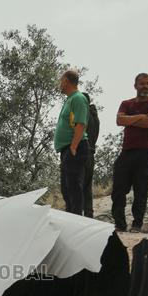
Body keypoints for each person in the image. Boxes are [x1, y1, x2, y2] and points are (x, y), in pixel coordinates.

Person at [111, 73, 148, 232]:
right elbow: (119, 120)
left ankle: (137, 224)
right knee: (118, 189)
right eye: (142, 84)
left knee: (141, 190)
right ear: (135, 86)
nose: (145, 86)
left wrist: (130, 119)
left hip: (145, 152)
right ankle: (120, 224)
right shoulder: (126, 103)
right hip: (126, 152)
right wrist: (140, 116)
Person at [53, 69, 92, 216]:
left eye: (61, 80)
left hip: (75, 148)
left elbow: (81, 124)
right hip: (67, 149)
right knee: (66, 189)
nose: (59, 84)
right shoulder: (70, 99)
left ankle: (76, 218)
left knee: (74, 187)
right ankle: (71, 216)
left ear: (66, 81)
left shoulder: (78, 98)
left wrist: (74, 147)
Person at [81, 92, 101, 218]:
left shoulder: (84, 115)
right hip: (91, 153)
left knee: (75, 187)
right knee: (87, 188)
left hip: (81, 152)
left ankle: (74, 217)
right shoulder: (95, 116)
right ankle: (89, 216)